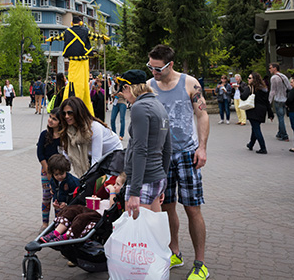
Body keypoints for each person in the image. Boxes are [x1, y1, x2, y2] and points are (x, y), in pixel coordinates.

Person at [147, 44, 210, 280]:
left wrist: (201, 148)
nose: (153, 72)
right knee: (166, 207)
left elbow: (202, 114)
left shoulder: (189, 83)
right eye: (150, 67)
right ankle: (174, 252)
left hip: (186, 153)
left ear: (170, 64)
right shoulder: (150, 86)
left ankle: (200, 263)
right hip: (161, 155)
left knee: (192, 208)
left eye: (158, 68)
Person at [118, 69, 172, 220]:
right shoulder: (158, 105)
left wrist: (135, 192)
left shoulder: (139, 107)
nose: (124, 97)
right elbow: (167, 149)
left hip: (143, 179)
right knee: (153, 233)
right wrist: (164, 180)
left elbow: (140, 150)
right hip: (157, 175)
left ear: (127, 88)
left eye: (123, 91)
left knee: (137, 236)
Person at [45, 15, 109, 114]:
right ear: (80, 23)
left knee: (73, 81)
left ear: (72, 23)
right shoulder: (85, 30)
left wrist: (52, 39)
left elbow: (59, 37)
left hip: (73, 62)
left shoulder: (67, 31)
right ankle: (82, 103)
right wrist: (103, 37)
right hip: (84, 61)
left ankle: (72, 99)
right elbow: (94, 36)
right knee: (83, 83)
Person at [40, 172, 126, 243]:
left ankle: (67, 236)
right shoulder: (112, 194)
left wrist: (112, 191)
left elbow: (111, 207)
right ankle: (56, 232)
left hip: (100, 217)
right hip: (92, 210)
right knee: (71, 209)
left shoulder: (119, 199)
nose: (114, 186)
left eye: (118, 184)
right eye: (115, 184)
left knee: (81, 218)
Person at [57, 96, 123, 178]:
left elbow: (96, 160)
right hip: (94, 156)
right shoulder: (69, 130)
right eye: (64, 113)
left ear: (78, 112)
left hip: (113, 157)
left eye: (70, 113)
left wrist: (86, 180)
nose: (66, 116)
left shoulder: (94, 128)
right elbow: (67, 155)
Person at [37, 110, 62, 232]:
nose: (50, 120)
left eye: (54, 119)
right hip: (46, 170)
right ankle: (45, 223)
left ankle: (58, 224)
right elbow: (40, 154)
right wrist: (47, 171)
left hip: (60, 173)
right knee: (47, 197)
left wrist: (59, 173)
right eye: (50, 117)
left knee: (59, 198)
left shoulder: (64, 137)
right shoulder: (44, 135)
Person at [241, 72, 274, 154]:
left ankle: (263, 148)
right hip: (262, 111)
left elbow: (243, 97)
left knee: (256, 129)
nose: (248, 79)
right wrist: (270, 113)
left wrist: (244, 89)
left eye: (249, 78)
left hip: (253, 110)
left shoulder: (251, 88)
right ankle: (251, 144)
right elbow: (267, 102)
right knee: (255, 128)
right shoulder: (264, 88)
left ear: (254, 79)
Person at [268, 63, 290, 142]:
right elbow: (289, 87)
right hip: (285, 99)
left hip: (278, 99)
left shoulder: (274, 78)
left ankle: (284, 135)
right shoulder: (284, 76)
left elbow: (272, 91)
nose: (269, 69)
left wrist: (269, 101)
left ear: (275, 68)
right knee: (282, 117)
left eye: (270, 68)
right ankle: (280, 133)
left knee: (280, 118)